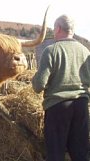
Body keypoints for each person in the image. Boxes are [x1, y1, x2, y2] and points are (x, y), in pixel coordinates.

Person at [32, 14, 90, 161]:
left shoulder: (51, 50)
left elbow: (39, 85)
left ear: (58, 29)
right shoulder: (85, 51)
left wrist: (34, 78)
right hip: (81, 106)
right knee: (80, 154)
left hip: (58, 107)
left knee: (55, 154)